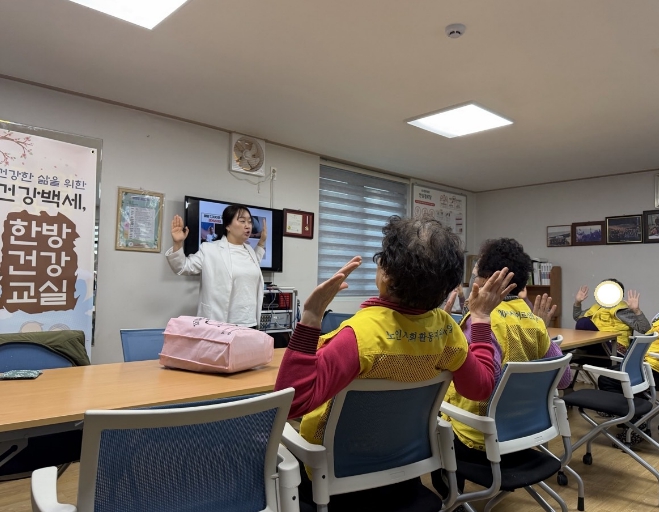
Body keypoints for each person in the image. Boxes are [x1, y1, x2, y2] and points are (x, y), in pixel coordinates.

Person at [274, 215, 516, 508]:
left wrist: (311, 318)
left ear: (386, 275)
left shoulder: (360, 336)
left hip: (336, 475)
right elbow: (481, 388)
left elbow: (292, 403)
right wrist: (480, 318)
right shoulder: (448, 332)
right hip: (404, 468)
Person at [432, 238, 570, 497]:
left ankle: (451, 500)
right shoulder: (534, 321)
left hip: (478, 438)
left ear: (489, 280)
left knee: (433, 423)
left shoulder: (480, 322)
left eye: (476, 274)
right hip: (526, 433)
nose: (473, 281)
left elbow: (484, 384)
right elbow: (564, 380)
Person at [165, 204, 267, 327]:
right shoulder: (210, 249)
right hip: (221, 325)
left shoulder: (249, 250)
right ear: (228, 226)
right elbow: (182, 267)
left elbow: (252, 264)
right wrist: (177, 243)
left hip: (250, 323)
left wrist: (261, 242)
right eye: (242, 221)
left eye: (250, 222)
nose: (248, 226)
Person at [573, 280, 651, 353]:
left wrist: (636, 310)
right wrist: (577, 302)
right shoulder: (597, 307)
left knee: (584, 322)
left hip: (615, 348)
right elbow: (577, 317)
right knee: (582, 322)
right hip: (596, 344)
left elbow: (645, 329)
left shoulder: (622, 310)